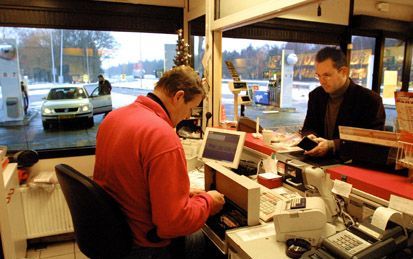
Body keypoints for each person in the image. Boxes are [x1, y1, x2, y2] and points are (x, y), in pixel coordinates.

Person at [93, 66, 225, 259]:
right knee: (207, 241)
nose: (188, 116)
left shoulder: (114, 117)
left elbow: (130, 180)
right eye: (190, 108)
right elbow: (173, 224)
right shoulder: (161, 135)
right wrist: (208, 201)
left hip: (114, 234)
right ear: (179, 97)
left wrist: (182, 195)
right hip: (145, 246)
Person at [301, 47, 385, 159]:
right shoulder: (316, 95)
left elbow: (372, 142)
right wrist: (310, 137)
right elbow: (309, 126)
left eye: (327, 75)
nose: (322, 81)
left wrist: (332, 145)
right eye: (318, 75)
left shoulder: (369, 100)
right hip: (318, 162)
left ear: (344, 71)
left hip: (352, 164)